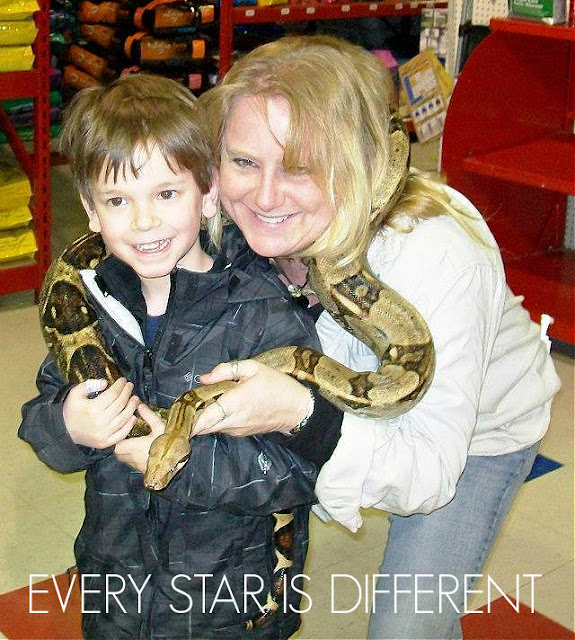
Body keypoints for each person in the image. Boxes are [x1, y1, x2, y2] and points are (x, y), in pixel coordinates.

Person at [172, 35, 559, 639]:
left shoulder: (437, 250)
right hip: (336, 392)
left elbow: (427, 475)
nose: (265, 196)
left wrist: (302, 414)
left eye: (300, 166)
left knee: (406, 629)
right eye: (244, 162)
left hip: (476, 430)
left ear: (357, 162)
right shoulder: (220, 209)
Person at [18, 73, 335, 640]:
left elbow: (297, 476)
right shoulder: (92, 307)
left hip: (229, 608)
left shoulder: (265, 318)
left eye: (166, 194)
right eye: (118, 201)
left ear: (208, 193)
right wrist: (68, 427)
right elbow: (41, 418)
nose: (144, 223)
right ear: (90, 212)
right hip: (118, 596)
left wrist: (181, 468)